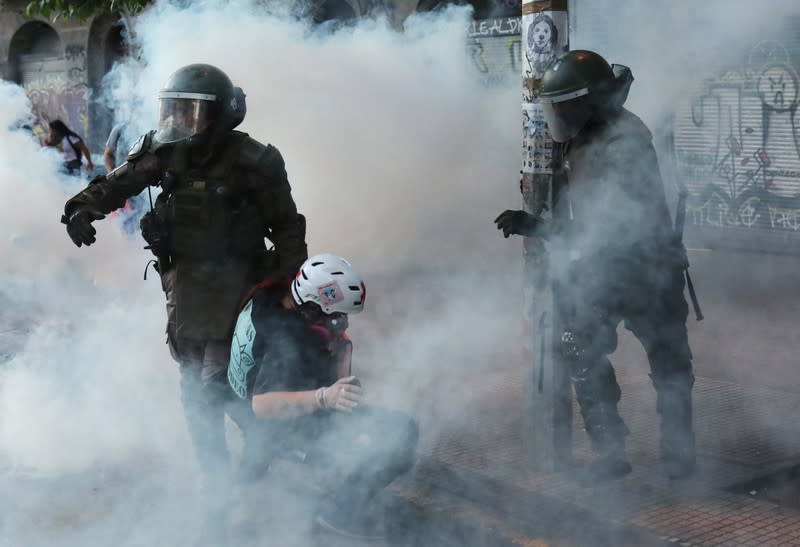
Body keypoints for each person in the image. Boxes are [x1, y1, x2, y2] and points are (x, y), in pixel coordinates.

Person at [60, 64, 309, 536]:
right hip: (184, 289)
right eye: (174, 110)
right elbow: (119, 182)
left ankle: (243, 465)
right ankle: (232, 468)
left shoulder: (254, 161)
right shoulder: (165, 152)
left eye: (192, 112)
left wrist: (289, 288)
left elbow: (288, 225)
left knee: (215, 385)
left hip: (239, 288)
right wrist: (81, 209)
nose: (180, 121)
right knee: (195, 389)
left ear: (219, 116)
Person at [495, 50, 695, 481]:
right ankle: (611, 452)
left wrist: (538, 227)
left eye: (564, 105)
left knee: (669, 363)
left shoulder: (625, 146)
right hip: (608, 269)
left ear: (587, 100)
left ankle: (679, 452)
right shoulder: (587, 130)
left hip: (647, 270)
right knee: (578, 346)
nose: (559, 114)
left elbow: (606, 229)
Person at [228, 254, 418, 540]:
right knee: (400, 435)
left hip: (255, 411)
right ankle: (339, 513)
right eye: (335, 315)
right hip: (276, 424)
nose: (340, 323)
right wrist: (325, 397)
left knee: (386, 427)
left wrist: (339, 352)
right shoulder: (289, 341)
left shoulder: (272, 298)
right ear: (313, 309)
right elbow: (262, 405)